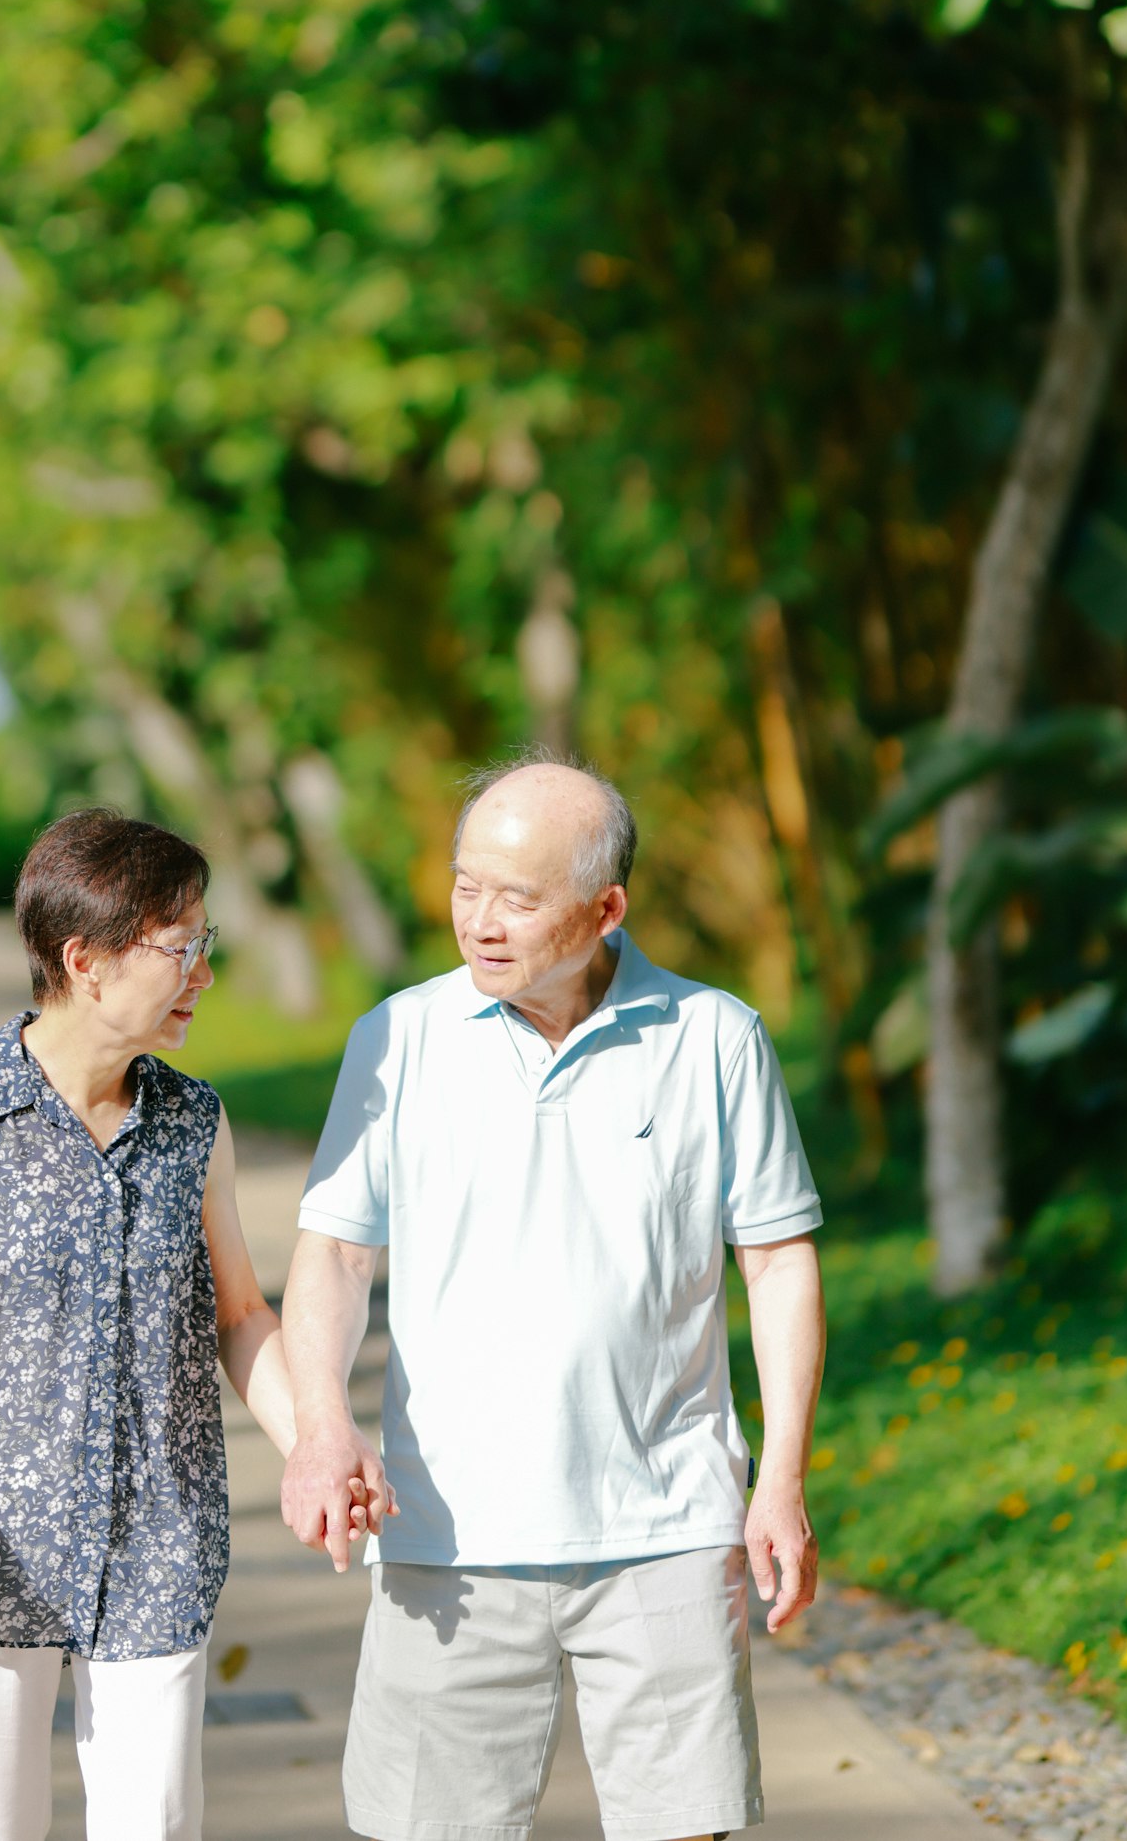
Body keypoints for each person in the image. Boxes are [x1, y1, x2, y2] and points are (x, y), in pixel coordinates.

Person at [280, 753, 826, 1841]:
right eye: (465, 884)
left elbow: (777, 1262)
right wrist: (323, 1429)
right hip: (445, 1533)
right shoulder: (397, 1037)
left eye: (518, 899)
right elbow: (334, 1256)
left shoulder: (715, 1037)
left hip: (666, 1525)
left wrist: (781, 1479)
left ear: (606, 908)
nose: (479, 921)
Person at [0, 808, 309, 1841]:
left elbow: (242, 1312)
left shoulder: (193, 1121)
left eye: (204, 942)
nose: (204, 971)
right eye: (180, 946)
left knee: (154, 1825)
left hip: (157, 1537)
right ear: (86, 960)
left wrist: (317, 1446)